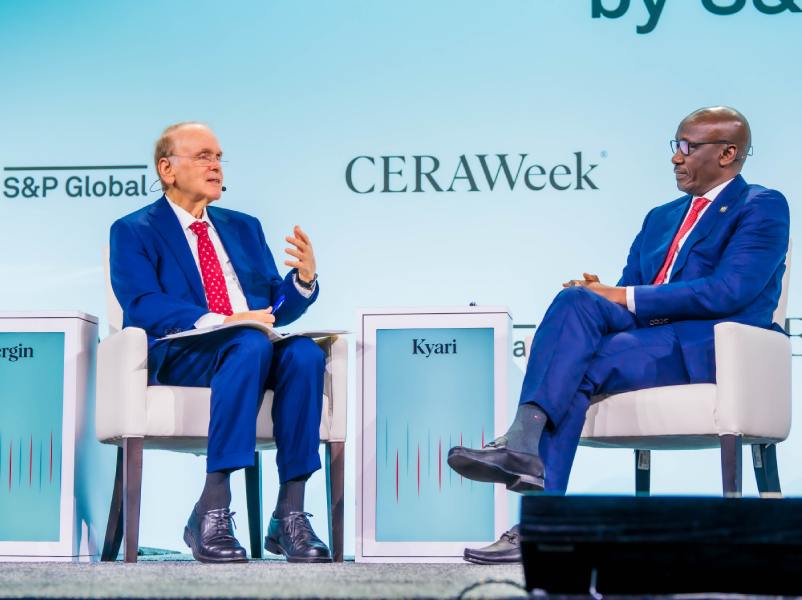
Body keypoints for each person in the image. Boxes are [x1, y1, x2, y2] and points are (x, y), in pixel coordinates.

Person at [448, 107, 790, 564]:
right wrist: (600, 295)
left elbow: (730, 291)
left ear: (728, 153)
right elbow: (632, 285)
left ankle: (535, 503)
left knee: (577, 367)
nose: (676, 157)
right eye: (675, 145)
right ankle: (525, 450)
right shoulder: (661, 216)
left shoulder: (761, 207)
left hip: (712, 347)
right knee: (575, 303)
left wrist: (621, 295)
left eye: (688, 146)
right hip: (648, 338)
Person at [110, 122, 331, 564]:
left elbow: (274, 307)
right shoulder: (134, 229)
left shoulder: (244, 227)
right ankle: (211, 507)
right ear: (167, 169)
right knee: (247, 342)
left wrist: (302, 281)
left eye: (218, 157)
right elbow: (142, 303)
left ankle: (289, 514)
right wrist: (225, 320)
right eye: (203, 156)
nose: (215, 166)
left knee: (305, 353)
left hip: (251, 345)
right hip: (185, 352)